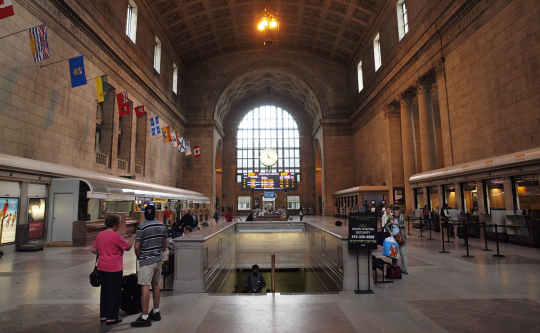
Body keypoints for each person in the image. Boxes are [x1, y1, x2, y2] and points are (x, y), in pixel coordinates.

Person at [92, 214, 136, 325]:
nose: (119, 226)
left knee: (105, 291)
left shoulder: (100, 235)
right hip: (114, 267)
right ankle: (112, 317)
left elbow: (94, 250)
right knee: (114, 292)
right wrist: (132, 238)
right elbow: (128, 247)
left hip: (102, 267)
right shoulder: (116, 236)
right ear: (114, 225)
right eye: (119, 224)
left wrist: (104, 252)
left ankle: (104, 315)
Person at [131, 205, 168, 328]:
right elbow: (165, 244)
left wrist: (139, 257)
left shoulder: (142, 227)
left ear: (145, 214)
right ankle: (156, 311)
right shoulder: (162, 226)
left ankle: (145, 317)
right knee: (156, 284)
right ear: (155, 214)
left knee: (145, 287)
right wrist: (159, 252)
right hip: (158, 259)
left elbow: (137, 246)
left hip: (146, 261)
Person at [384, 206, 408, 275]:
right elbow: (386, 225)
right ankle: (394, 266)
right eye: (395, 212)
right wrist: (390, 231)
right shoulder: (391, 217)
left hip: (401, 237)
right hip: (394, 239)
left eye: (397, 212)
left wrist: (394, 223)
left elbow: (402, 224)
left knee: (403, 254)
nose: (396, 213)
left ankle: (404, 268)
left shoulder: (401, 217)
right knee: (394, 254)